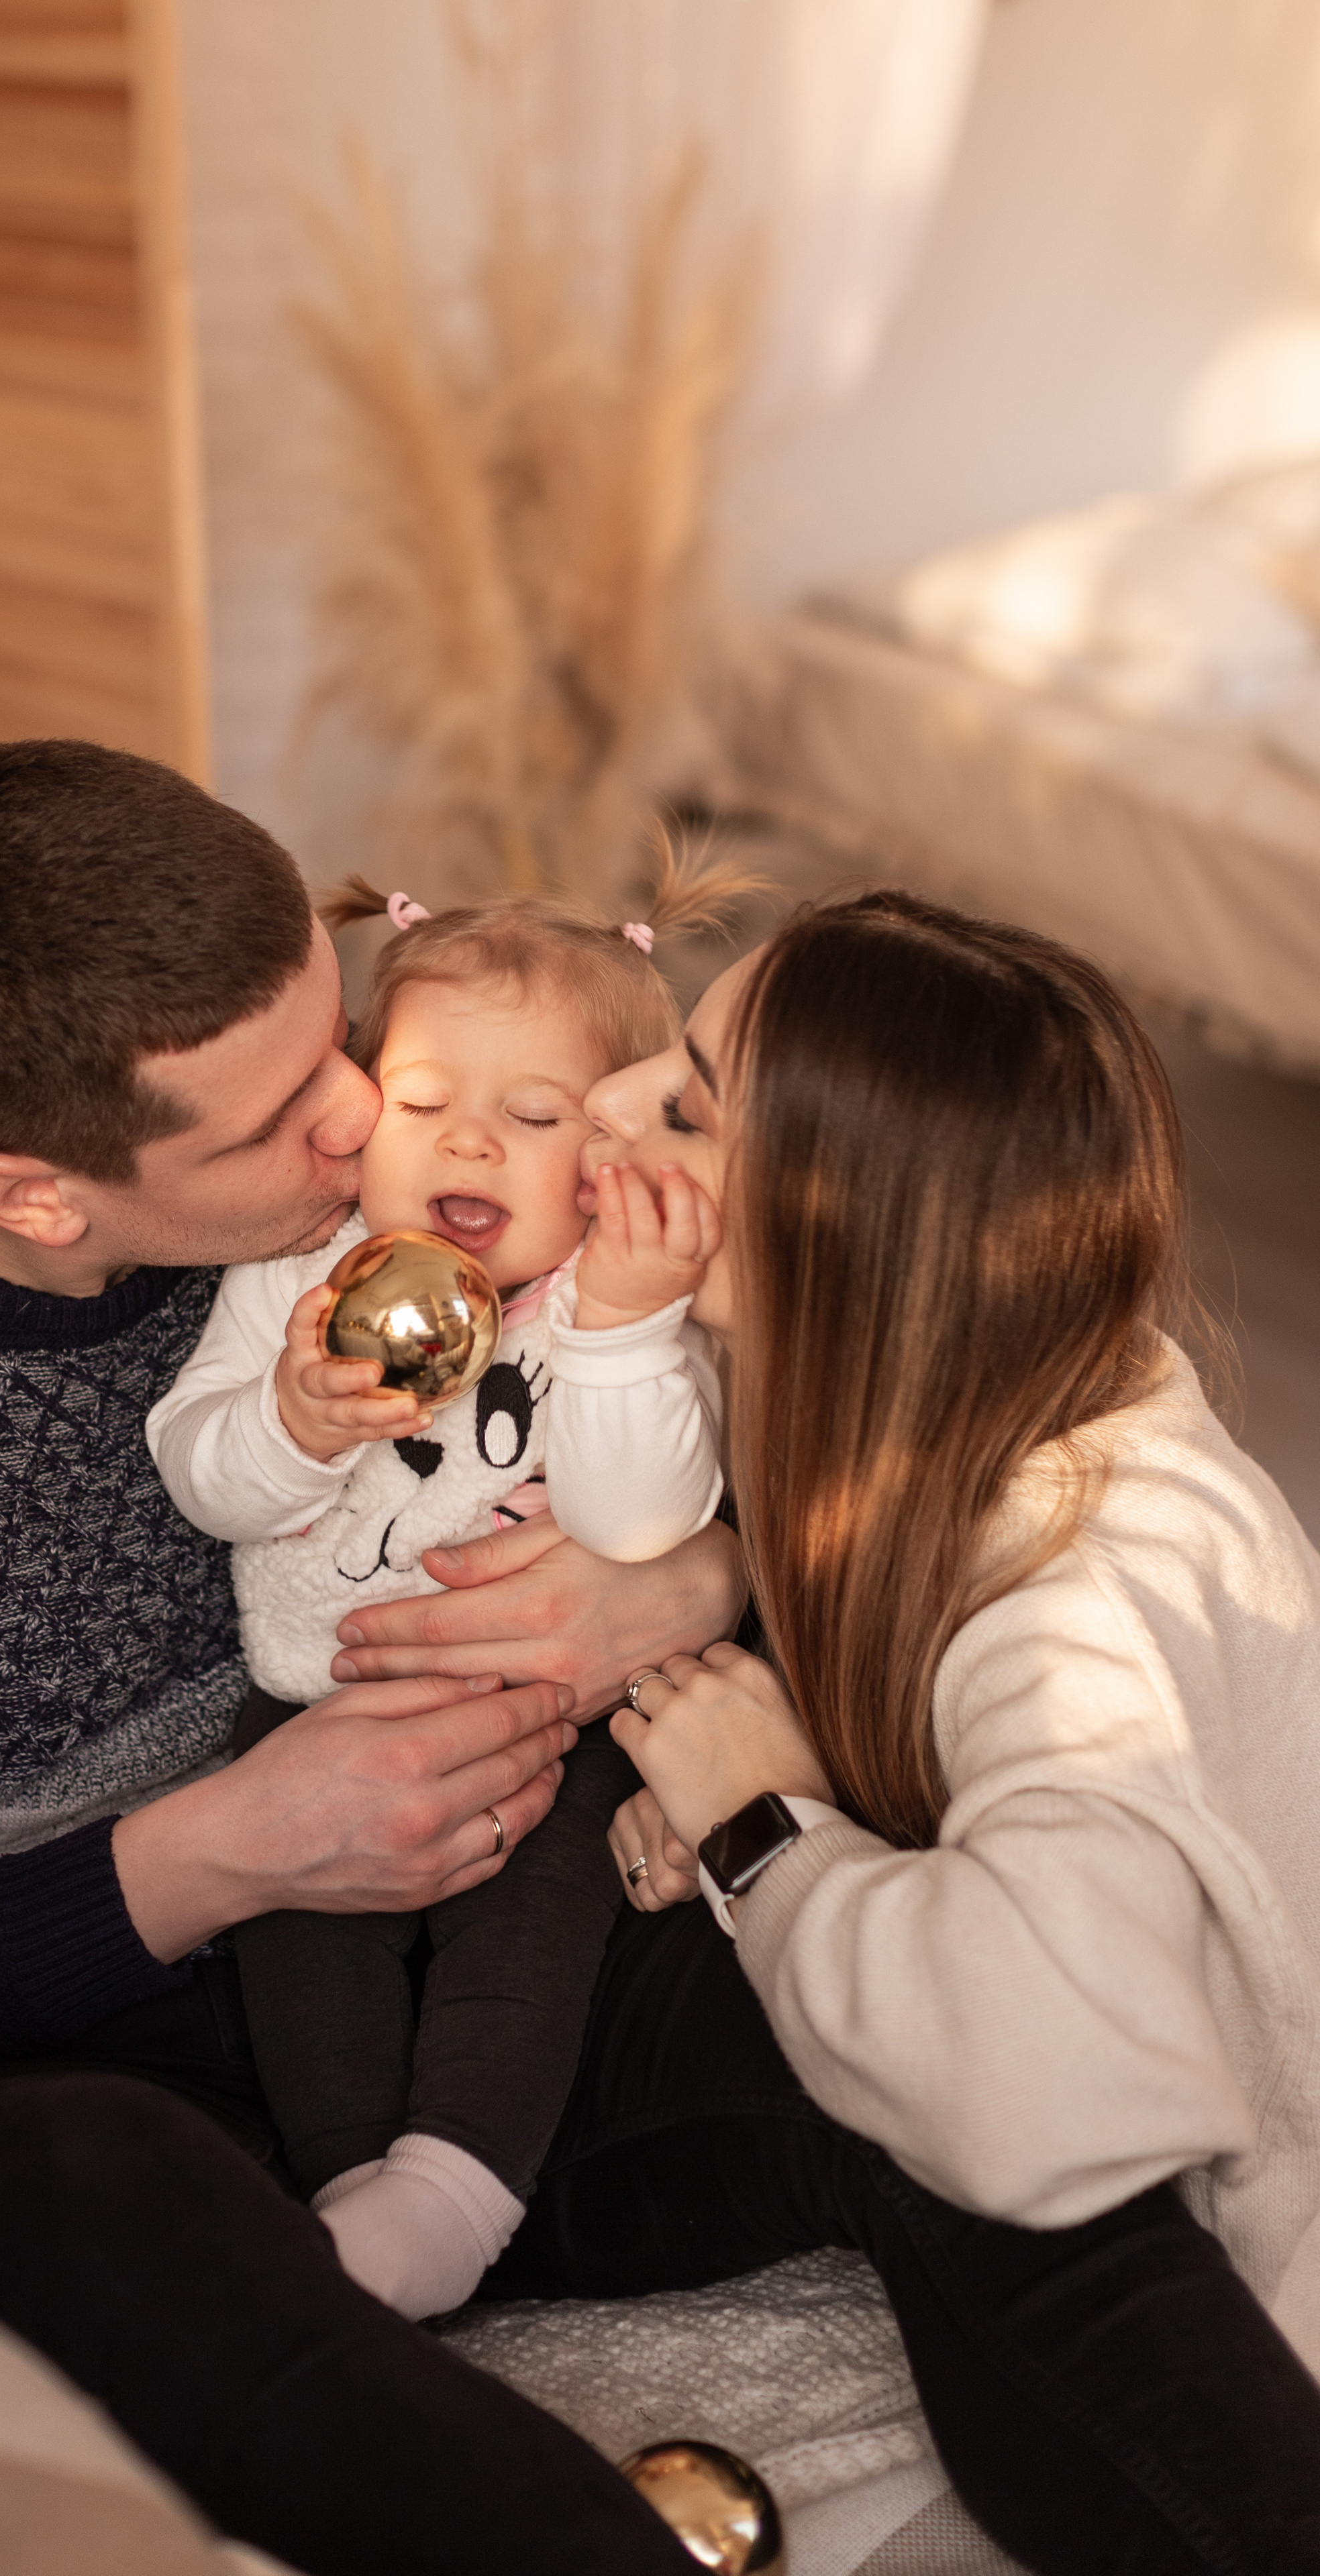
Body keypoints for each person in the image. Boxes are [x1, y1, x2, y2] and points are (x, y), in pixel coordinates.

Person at [0, 739, 742, 2576]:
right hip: (89, 2080)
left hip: (494, 1922)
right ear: (40, 1196)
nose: (368, 1119)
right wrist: (224, 1851)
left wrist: (687, 1580)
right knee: (78, 2208)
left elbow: (647, 1393)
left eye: (336, 1039)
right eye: (284, 1113)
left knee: (906, 2047)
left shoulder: (347, 1202)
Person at [485, 884, 1320, 2575]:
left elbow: (1034, 2091)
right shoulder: (1003, 1383)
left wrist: (764, 1827)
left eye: (688, 1107)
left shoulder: (1075, 1610)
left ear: (838, 1228)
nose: (612, 1107)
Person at [148, 867, 738, 2319]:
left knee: (532, 1943)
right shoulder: (299, 1277)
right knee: (301, 1946)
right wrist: (289, 1421)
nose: (468, 1138)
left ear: (604, 1154)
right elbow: (198, 1477)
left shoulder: (622, 1301)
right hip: (317, 1702)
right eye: (421, 1102)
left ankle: (458, 2184)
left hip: (548, 1722)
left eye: (533, 1117)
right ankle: (355, 2191)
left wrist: (620, 1328)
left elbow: (644, 1519)